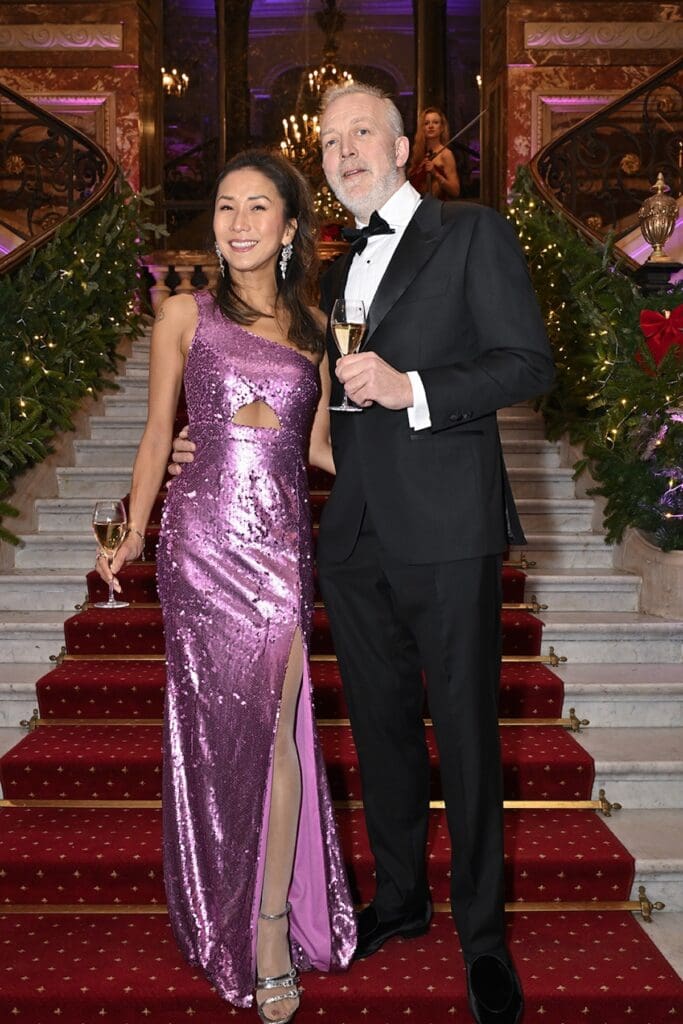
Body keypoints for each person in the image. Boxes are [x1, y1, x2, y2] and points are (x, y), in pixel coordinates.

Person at [171, 83, 555, 1024]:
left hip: (448, 528)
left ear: (400, 146)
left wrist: (411, 385)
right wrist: (208, 443)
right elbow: (305, 412)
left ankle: (482, 938)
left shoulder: (471, 232)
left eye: (361, 135)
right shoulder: (332, 276)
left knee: (464, 733)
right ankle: (400, 898)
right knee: (380, 731)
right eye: (330, 141)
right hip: (350, 537)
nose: (344, 152)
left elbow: (525, 363)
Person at [97, 149, 356, 1023]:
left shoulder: (316, 330)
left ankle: (271, 928)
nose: (238, 223)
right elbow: (155, 432)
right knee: (213, 734)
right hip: (199, 543)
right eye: (224, 206)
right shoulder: (183, 313)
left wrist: (408, 460)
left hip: (279, 551)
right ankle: (218, 897)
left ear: (289, 228)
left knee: (276, 735)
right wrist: (135, 529)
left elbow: (319, 450)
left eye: (257, 208)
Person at [408, 106, 461, 200]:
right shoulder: (418, 153)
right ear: (422, 128)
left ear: (442, 128)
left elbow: (455, 190)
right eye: (426, 123)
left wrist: (436, 174)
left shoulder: (446, 154)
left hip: (437, 206)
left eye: (435, 122)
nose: (431, 126)